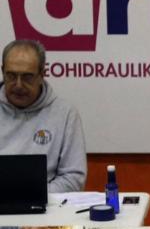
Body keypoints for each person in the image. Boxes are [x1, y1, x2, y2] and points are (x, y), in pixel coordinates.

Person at [0, 39, 86, 193]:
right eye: (11, 76)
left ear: (42, 75)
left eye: (27, 77)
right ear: (2, 71)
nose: (18, 85)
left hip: (46, 204)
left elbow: (73, 178)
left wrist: (35, 195)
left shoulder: (65, 114)